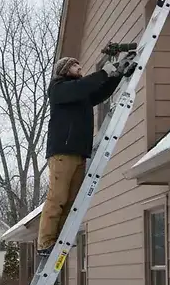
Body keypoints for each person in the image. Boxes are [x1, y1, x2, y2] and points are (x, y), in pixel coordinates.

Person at [35, 53, 131, 257]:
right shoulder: (59, 89)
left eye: (79, 65)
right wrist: (104, 72)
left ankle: (58, 239)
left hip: (80, 152)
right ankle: (45, 242)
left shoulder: (80, 93)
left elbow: (100, 93)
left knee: (71, 200)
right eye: (74, 66)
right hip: (63, 151)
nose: (80, 68)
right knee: (57, 197)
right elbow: (82, 87)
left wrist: (118, 75)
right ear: (64, 70)